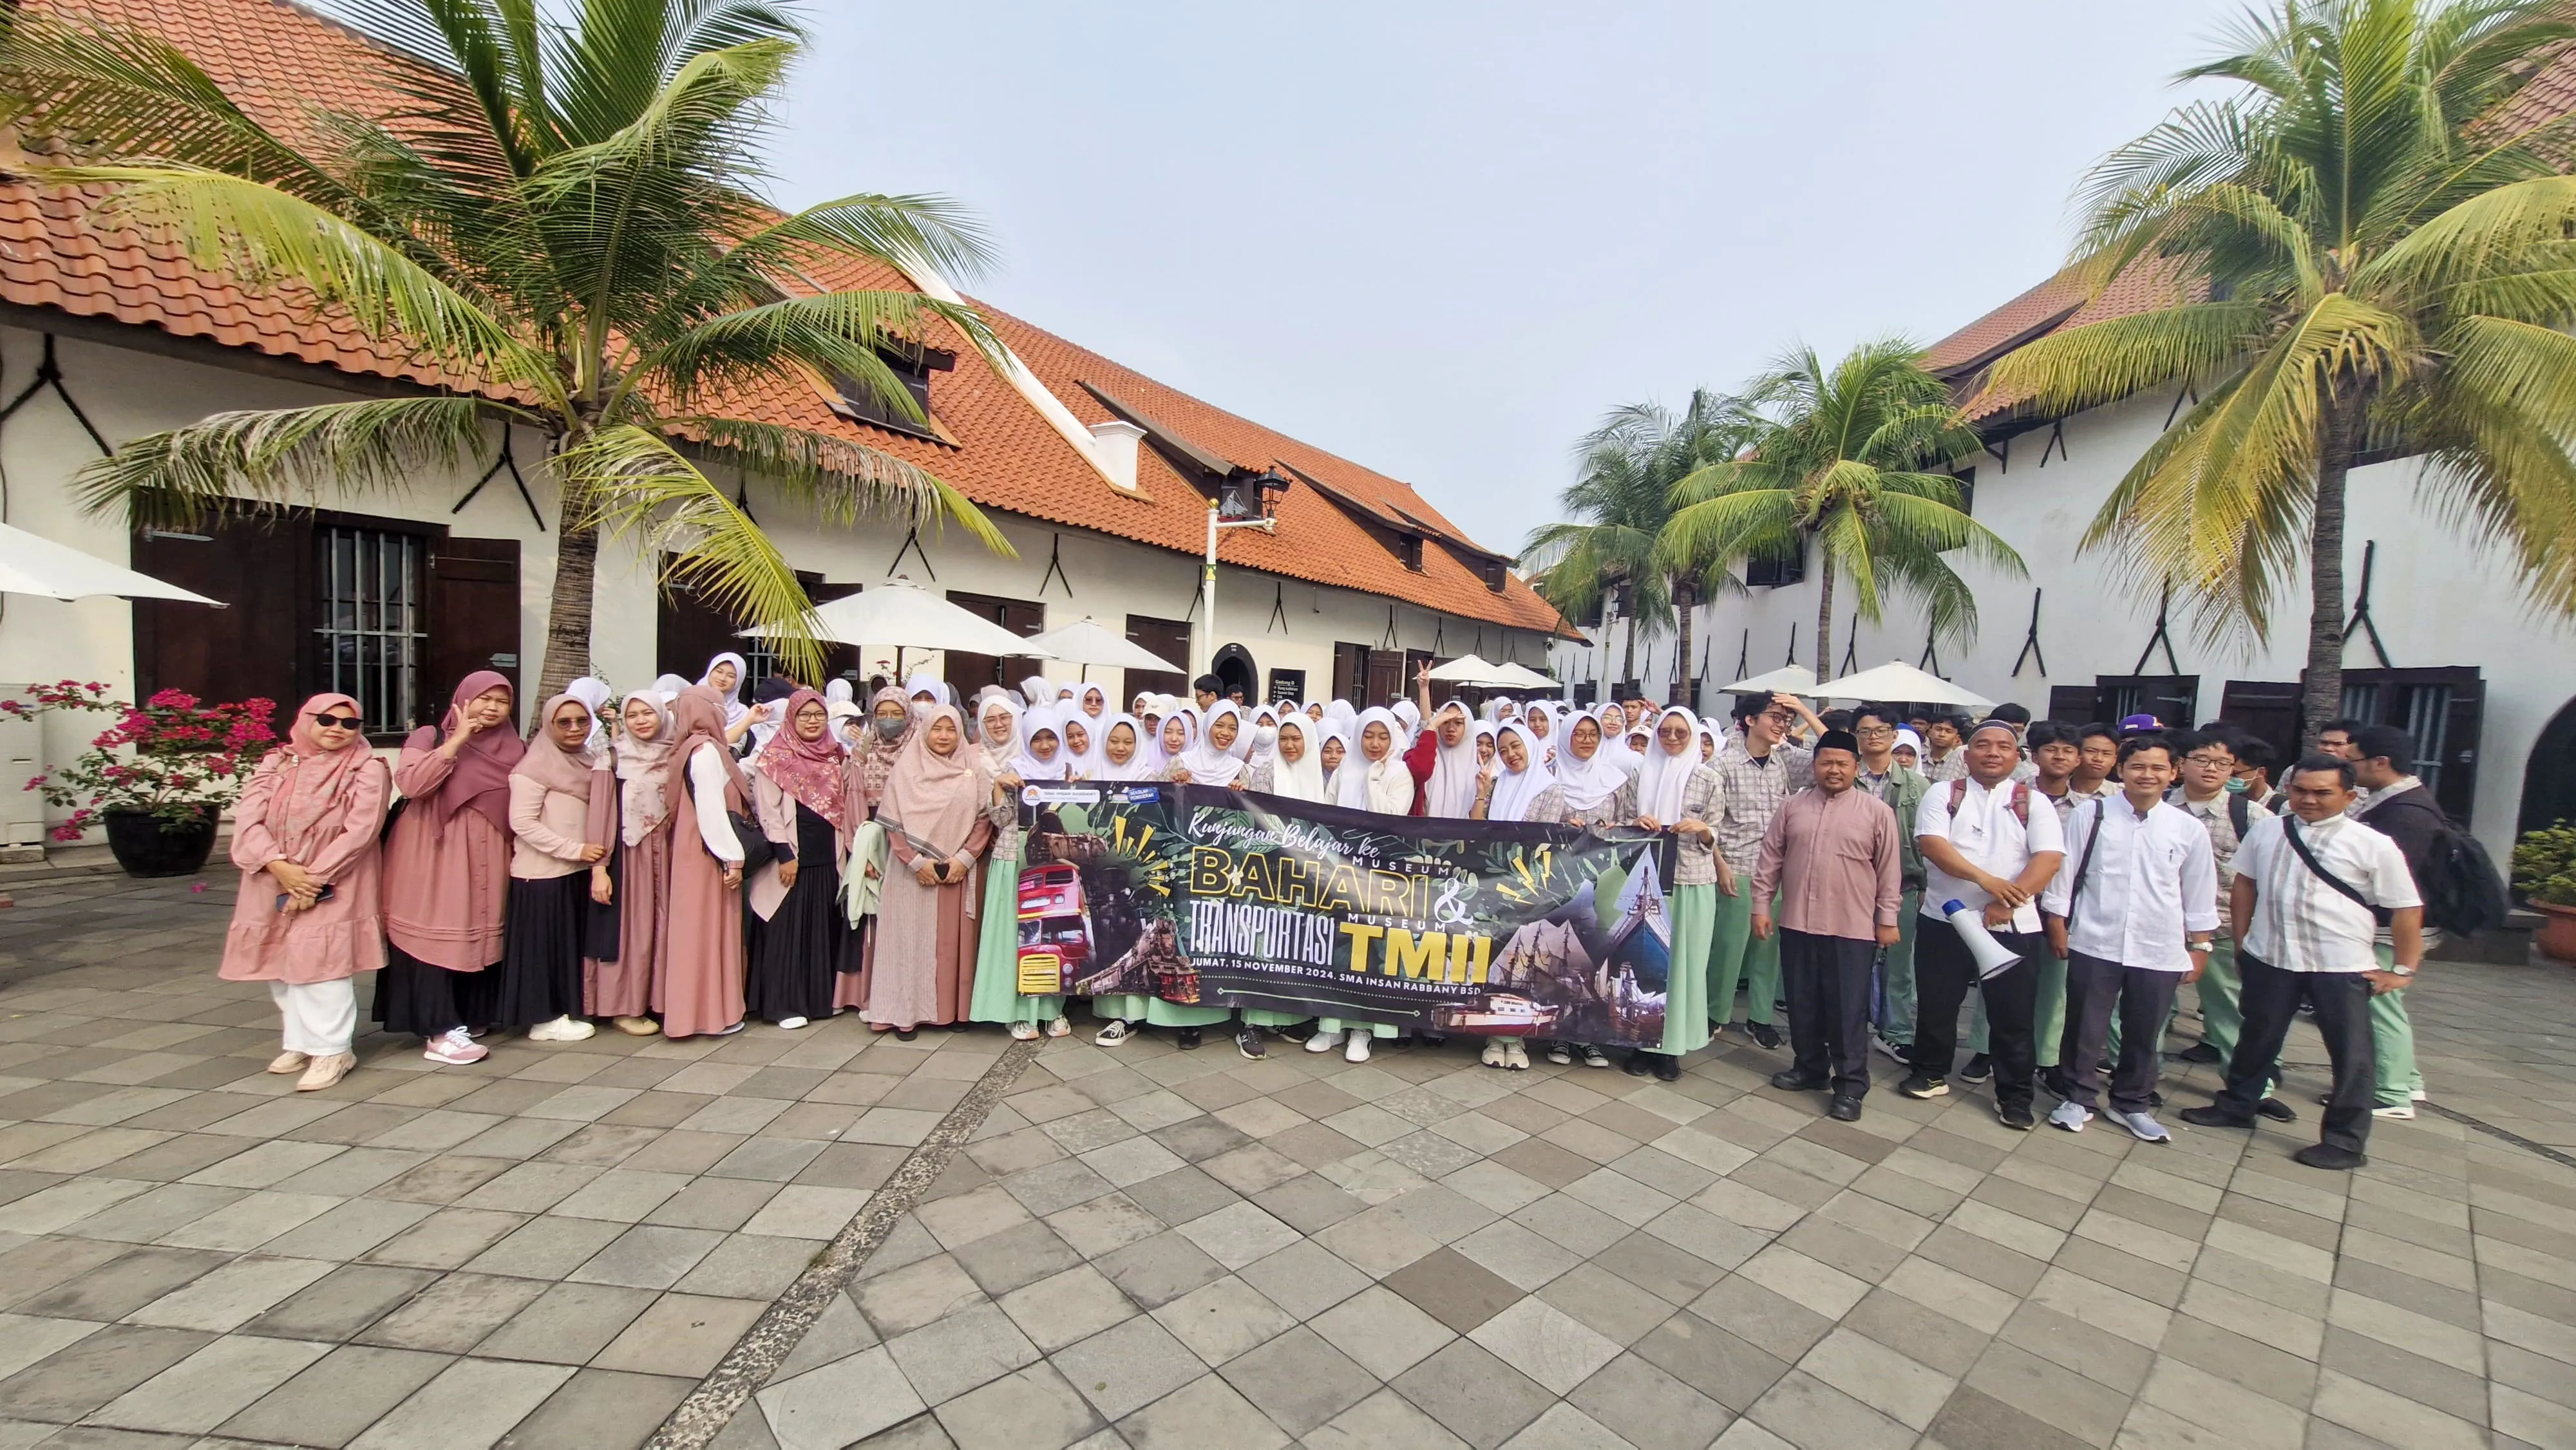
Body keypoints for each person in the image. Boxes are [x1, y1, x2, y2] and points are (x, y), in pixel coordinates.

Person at [2181, 757, 2422, 1170]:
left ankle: (2345, 1141)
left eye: (2322, 793)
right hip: (2271, 955)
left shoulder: (2372, 844)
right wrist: (2243, 943)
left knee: (2351, 1054)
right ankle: (2238, 1105)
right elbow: (2245, 884)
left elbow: (2406, 908)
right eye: (2301, 791)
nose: (2309, 800)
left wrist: (2402, 969)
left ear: (2349, 796)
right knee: (2257, 1037)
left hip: (2341, 964)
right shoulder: (2268, 830)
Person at [2040, 735, 2216, 1141]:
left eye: (2157, 768)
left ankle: (2131, 1103)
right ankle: (2078, 1098)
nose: (2147, 775)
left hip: (2159, 945)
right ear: (2121, 770)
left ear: (2173, 773)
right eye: (2138, 766)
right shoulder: (2093, 814)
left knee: (2145, 1030)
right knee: (2084, 1025)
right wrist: (2057, 924)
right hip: (2095, 939)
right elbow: (2065, 875)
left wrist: (2200, 946)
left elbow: (2199, 892)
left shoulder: (2187, 828)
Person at [222, 693, 392, 1091]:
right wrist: (279, 866)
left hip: (336, 878)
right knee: (279, 962)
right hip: (272, 875)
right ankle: (301, 1041)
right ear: (305, 720)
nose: (338, 729)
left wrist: (313, 880)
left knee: (322, 965)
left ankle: (333, 1049)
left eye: (349, 723)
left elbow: (361, 831)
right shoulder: (278, 762)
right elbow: (248, 820)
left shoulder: (367, 768)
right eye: (327, 720)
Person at [1908, 719, 2067, 1129]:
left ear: (2017, 757)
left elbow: (2049, 858)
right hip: (1946, 918)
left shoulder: (2033, 801)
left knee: (2013, 1014)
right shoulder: (1944, 793)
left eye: (2003, 746)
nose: (1993, 753)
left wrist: (2009, 900)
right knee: (1938, 1003)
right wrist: (1987, 882)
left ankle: (2014, 1095)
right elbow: (1932, 845)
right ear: (1967, 753)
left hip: (2013, 924)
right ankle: (1930, 1071)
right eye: (1983, 745)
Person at [1754, 730, 1903, 1121]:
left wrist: (1887, 919)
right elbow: (1770, 859)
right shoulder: (1792, 807)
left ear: (1856, 767)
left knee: (1846, 1009)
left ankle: (1851, 1085)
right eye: (1826, 763)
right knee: (1801, 1001)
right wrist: (1761, 906)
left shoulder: (1877, 812)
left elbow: (1890, 872)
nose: (1833, 770)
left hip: (1852, 928)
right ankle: (1810, 1068)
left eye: (1842, 763)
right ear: (1815, 765)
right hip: (1798, 922)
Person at [375, 672, 519, 1066]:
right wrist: (457, 741)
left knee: (480, 933)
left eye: (502, 701)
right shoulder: (428, 737)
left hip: (491, 855)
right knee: (437, 930)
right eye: (484, 698)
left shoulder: (515, 748)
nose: (492, 708)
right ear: (463, 699)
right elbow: (412, 785)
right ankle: (439, 1029)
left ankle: (470, 1015)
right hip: (434, 855)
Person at [857, 704, 992, 1038]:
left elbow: (984, 818)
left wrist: (964, 858)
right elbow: (894, 823)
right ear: (925, 731)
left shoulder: (974, 768)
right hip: (912, 873)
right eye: (937, 729)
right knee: (909, 943)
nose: (944, 736)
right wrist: (916, 862)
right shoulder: (906, 769)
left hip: (957, 871)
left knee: (951, 945)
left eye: (951, 729)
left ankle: (954, 1011)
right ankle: (904, 1013)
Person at [1707, 691, 1824, 1048]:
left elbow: (1835, 751)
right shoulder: (1722, 765)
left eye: (1786, 719)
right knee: (1728, 947)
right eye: (1774, 716)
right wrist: (1720, 865)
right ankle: (1714, 1013)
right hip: (1737, 866)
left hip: (1777, 871)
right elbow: (1709, 822)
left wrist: (1803, 709)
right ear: (1749, 720)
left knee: (1767, 949)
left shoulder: (1785, 761)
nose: (1782, 724)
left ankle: (1760, 1017)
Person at [500, 693, 612, 1042]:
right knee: (543, 950)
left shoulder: (589, 760)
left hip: (577, 871)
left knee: (566, 947)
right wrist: (575, 850)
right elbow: (523, 823)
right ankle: (543, 1018)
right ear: (549, 726)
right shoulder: (533, 768)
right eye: (564, 723)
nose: (575, 728)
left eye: (582, 721)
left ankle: (564, 1010)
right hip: (542, 874)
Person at [1625, 707, 1726, 1082]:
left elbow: (1717, 832)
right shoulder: (1640, 774)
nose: (1671, 739)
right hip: (1648, 881)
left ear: (1693, 736)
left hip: (1691, 881)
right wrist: (1637, 823)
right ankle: (1640, 1043)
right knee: (1645, 963)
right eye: (1664, 732)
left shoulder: (1707, 778)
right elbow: (1623, 821)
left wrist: (1702, 830)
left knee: (1685, 965)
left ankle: (1670, 1048)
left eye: (1680, 733)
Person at [745, 688, 852, 1030]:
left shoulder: (837, 755)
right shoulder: (774, 757)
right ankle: (784, 1005)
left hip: (828, 857)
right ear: (791, 718)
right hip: (791, 858)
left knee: (821, 930)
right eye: (804, 715)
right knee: (787, 932)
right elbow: (767, 811)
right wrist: (785, 855)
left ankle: (819, 1000)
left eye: (818, 714)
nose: (812, 721)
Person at [2168, 730, 2273, 1077]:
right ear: (2181, 764)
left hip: (2222, 929)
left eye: (2223, 763)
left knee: (2231, 1012)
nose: (2211, 769)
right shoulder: (2158, 806)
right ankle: (2141, 1079)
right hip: (2160, 927)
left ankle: (2248, 1086)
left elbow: (2266, 879)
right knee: (2145, 1010)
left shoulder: (2252, 817)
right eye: (2202, 760)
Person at [2348, 723, 2437, 1118]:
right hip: (2389, 922)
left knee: (2380, 1003)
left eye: (2353, 761)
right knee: (2386, 1003)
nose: (2349, 768)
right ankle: (2407, 1080)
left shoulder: (2405, 813)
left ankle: (2391, 1091)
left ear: (2380, 762)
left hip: (2391, 925)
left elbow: (2400, 887)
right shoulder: (2397, 802)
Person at [658, 686, 750, 1039]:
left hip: (691, 851)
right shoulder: (706, 751)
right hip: (708, 853)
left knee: (693, 931)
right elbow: (711, 810)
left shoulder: (686, 748)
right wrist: (732, 858)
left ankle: (693, 1013)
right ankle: (709, 1015)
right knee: (708, 931)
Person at [590, 691, 675, 1036]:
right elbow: (600, 815)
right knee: (632, 928)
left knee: (664, 926)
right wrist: (599, 868)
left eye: (648, 713)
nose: (640, 721)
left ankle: (661, 1001)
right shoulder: (612, 758)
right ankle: (625, 1006)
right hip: (628, 855)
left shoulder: (676, 754)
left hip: (669, 853)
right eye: (633, 715)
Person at [1852, 706, 1927, 1063]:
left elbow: (1926, 840)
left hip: (1902, 887)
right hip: (1851, 887)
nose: (1873, 737)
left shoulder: (1918, 786)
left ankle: (1896, 1032)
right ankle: (1848, 1026)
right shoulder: (1846, 776)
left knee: (1899, 965)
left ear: (1894, 736)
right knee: (1849, 961)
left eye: (1881, 730)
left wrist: (1926, 885)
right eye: (1865, 731)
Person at [2232, 736, 2280, 810]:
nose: (2228, 778)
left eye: (2234, 774)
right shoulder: (2224, 801)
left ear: (2260, 772)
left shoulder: (2281, 807)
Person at [1919, 714, 1969, 782]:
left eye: (1949, 731)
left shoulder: (1961, 763)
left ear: (1957, 738)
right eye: (1938, 729)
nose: (1942, 734)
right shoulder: (1919, 759)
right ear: (1929, 733)